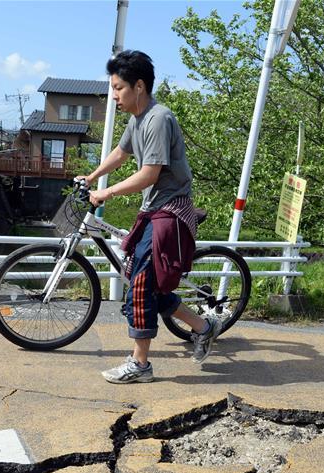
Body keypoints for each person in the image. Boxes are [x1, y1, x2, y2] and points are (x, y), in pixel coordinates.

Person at [77, 50, 221, 384]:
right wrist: (92, 176)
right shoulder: (137, 118)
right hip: (154, 209)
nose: (114, 96)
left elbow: (150, 174)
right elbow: (121, 152)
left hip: (169, 211)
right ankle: (203, 326)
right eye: (113, 88)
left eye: (118, 88)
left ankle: (140, 364)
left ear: (138, 86)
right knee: (145, 280)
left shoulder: (158, 118)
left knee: (140, 281)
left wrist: (106, 193)